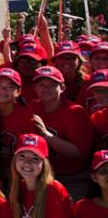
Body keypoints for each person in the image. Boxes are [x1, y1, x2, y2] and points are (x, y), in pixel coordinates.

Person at [28, 65, 92, 200]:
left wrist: (46, 135)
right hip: (42, 174)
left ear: (62, 88)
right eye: (41, 84)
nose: (46, 88)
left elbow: (78, 152)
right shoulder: (33, 107)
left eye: (52, 85)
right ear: (34, 88)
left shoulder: (75, 112)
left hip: (73, 177)